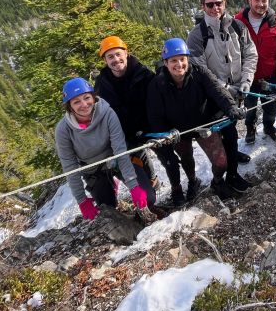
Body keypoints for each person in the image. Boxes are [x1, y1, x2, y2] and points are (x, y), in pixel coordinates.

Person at [146, 38, 247, 200]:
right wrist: (164, 133)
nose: (179, 64)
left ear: (188, 59)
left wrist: (230, 107)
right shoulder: (157, 85)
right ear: (165, 63)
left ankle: (217, 181)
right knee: (186, 157)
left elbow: (217, 90)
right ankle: (193, 181)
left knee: (221, 162)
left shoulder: (200, 73)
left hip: (204, 126)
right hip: (178, 131)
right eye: (173, 60)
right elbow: (155, 114)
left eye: (182, 59)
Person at [94, 35, 179, 210]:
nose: (115, 60)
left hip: (150, 127)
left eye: (118, 54)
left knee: (168, 157)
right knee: (147, 190)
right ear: (105, 60)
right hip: (125, 135)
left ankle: (177, 189)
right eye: (110, 57)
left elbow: (159, 98)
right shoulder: (102, 84)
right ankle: (150, 184)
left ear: (126, 53)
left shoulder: (143, 73)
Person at [187, 0, 257, 193]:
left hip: (238, 90)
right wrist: (226, 88)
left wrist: (246, 80)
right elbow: (199, 70)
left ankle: (232, 160)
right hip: (214, 96)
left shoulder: (237, 27)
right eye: (210, 4)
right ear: (203, 6)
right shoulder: (197, 35)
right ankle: (229, 175)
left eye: (219, 3)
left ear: (224, 3)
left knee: (232, 128)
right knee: (228, 130)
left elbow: (251, 54)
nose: (215, 8)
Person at [54, 78, 150, 221]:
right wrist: (82, 201)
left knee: (149, 198)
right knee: (108, 208)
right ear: (70, 106)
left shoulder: (107, 113)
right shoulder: (63, 129)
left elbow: (120, 150)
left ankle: (126, 181)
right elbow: (70, 166)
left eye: (87, 98)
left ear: (93, 97)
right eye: (76, 101)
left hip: (116, 160)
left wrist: (133, 186)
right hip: (94, 170)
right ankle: (109, 186)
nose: (84, 104)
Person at [235, 0, 276, 145]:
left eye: (264, 1)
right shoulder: (237, 22)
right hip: (248, 76)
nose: (261, 5)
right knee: (250, 108)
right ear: (249, 1)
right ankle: (250, 128)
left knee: (271, 107)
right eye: (257, 1)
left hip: (270, 75)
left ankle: (269, 126)